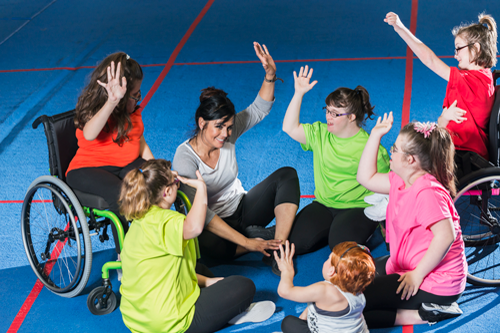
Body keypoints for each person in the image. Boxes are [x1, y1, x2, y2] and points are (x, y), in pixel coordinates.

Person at [173, 42, 301, 275]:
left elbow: (258, 109)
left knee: (287, 175)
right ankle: (254, 237)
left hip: (242, 208)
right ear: (202, 123)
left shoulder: (228, 134)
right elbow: (205, 214)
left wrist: (270, 75)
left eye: (230, 127)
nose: (225, 134)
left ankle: (278, 248)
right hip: (212, 226)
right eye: (219, 127)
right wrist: (248, 243)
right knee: (204, 251)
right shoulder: (184, 159)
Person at [118, 159, 275, 333]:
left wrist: (207, 281)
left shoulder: (140, 221)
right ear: (167, 192)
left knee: (199, 269)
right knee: (244, 286)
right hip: (168, 323)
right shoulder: (168, 221)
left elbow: (166, 271)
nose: (179, 185)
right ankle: (224, 315)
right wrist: (201, 188)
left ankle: (214, 306)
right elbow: (195, 227)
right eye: (176, 182)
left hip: (136, 320)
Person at [357, 112, 467, 328]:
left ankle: (427, 313)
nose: (391, 152)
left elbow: (446, 236)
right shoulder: (401, 178)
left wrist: (417, 275)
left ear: (410, 160)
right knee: (353, 282)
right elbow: (365, 177)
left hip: (435, 281)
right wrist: (375, 135)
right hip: (404, 264)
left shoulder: (426, 191)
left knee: (353, 305)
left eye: (395, 149)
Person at [282, 65, 390, 255]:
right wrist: (298, 93)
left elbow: (388, 186)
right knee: (294, 244)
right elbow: (289, 128)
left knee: (340, 250)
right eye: (327, 110)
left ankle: (369, 230)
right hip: (323, 204)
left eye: (335, 113)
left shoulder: (370, 146)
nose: (328, 117)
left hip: (357, 207)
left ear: (351, 117)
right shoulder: (320, 133)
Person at [385, 12, 498, 177]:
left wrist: (400, 28)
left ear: (476, 49)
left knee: (409, 155)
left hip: (464, 156)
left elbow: (430, 60)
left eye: (459, 48)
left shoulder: (473, 82)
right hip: (456, 148)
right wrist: (443, 120)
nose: (455, 55)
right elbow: (443, 123)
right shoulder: (482, 78)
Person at [66, 52, 153, 254]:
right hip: (88, 169)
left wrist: (158, 168)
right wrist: (112, 101)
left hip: (123, 165)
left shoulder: (132, 113)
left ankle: (155, 241)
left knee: (155, 179)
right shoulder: (97, 111)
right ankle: (126, 259)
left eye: (139, 93)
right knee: (121, 195)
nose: (138, 99)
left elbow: (140, 142)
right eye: (135, 95)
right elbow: (89, 133)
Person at [275, 240, 375, 333]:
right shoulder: (355, 284)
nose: (326, 260)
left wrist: (287, 271)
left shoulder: (323, 290)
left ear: (331, 271)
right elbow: (313, 302)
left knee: (288, 323)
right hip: (358, 329)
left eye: (328, 258)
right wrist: (302, 319)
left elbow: (284, 291)